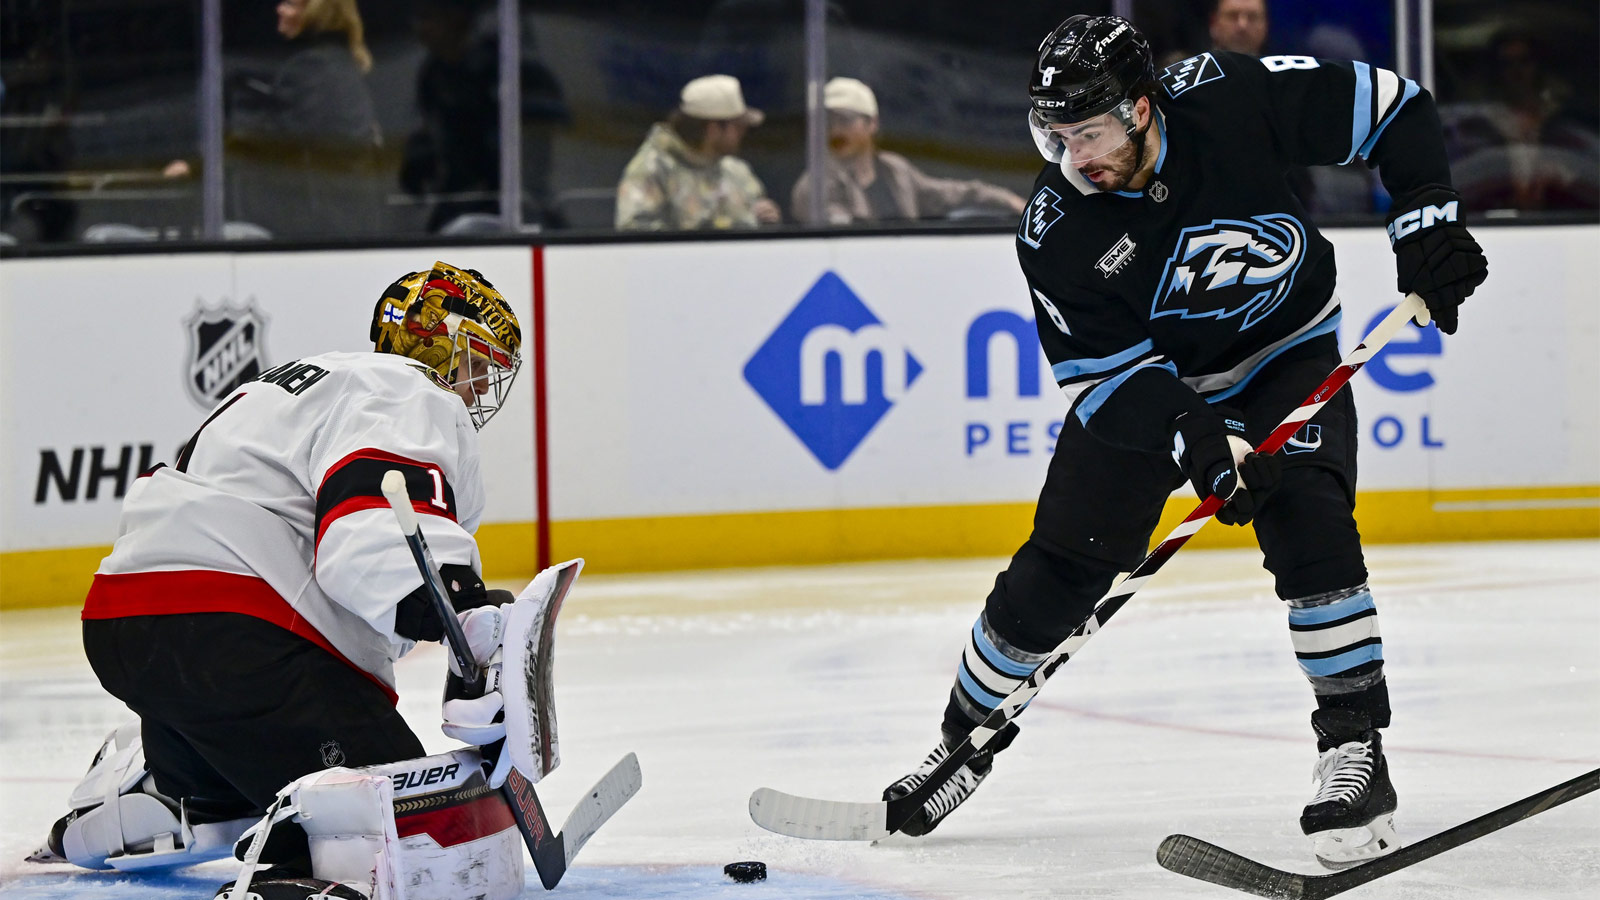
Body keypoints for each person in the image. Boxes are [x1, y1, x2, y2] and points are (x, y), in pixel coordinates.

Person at [883, 16, 1487, 871]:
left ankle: (1355, 750)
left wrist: (1424, 225)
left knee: (1311, 517)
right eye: (1052, 136)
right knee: (1059, 569)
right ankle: (960, 743)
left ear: (1140, 108)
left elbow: (1398, 109)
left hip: (1283, 351)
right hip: (1156, 388)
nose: (1071, 157)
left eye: (1086, 133)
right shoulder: (1057, 231)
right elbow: (1108, 381)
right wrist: (1199, 440)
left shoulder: (1230, 96)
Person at [30, 263, 530, 898]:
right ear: (441, 342)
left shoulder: (310, 382)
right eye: (480, 360)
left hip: (131, 629)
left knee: (253, 766)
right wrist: (462, 611)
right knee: (410, 834)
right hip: (235, 634)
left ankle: (172, 785)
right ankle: (287, 868)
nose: (484, 382)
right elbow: (369, 529)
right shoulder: (409, 390)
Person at [790, 77, 1026, 226]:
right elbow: (839, 237)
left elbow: (951, 193)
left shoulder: (894, 170)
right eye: (828, 121)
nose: (836, 130)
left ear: (872, 123)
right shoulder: (815, 185)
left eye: (846, 120)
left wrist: (1009, 201)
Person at [615, 74, 781, 230]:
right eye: (738, 127)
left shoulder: (736, 171)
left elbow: (759, 219)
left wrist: (766, 219)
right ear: (713, 129)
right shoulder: (652, 170)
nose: (743, 133)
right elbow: (636, 236)